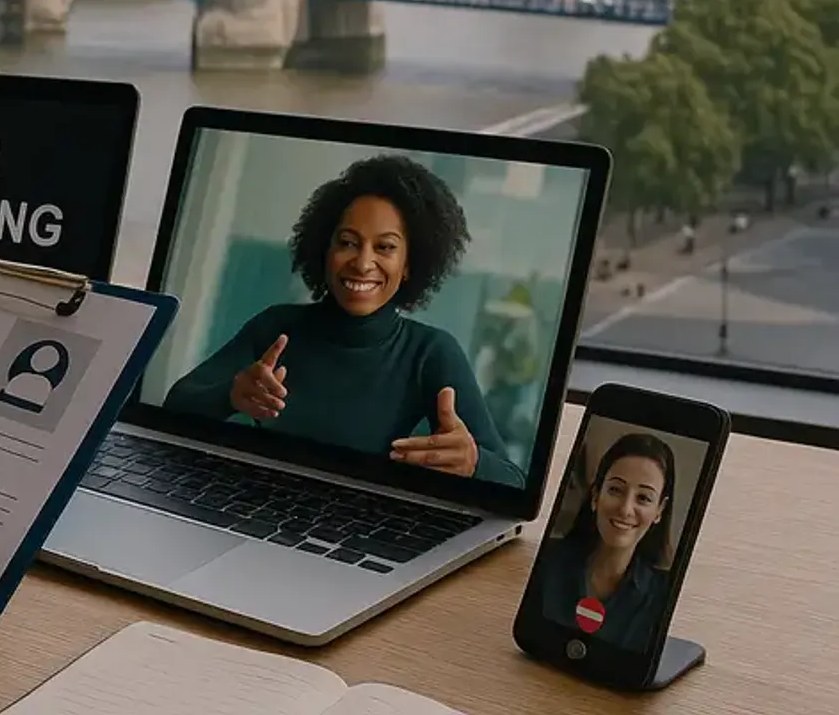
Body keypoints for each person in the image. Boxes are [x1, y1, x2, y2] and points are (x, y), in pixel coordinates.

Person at [163, 154, 524, 486]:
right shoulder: (277, 327)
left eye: (385, 247)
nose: (363, 263)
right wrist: (231, 395)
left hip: (360, 529)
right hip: (252, 507)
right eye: (348, 242)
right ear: (326, 249)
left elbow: (514, 482)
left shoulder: (430, 352)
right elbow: (175, 406)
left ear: (410, 264)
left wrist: (473, 462)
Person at [535, 433, 678, 651]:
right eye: (616, 490)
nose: (625, 509)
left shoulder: (663, 597)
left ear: (659, 511)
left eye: (643, 498)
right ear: (595, 496)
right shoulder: (546, 560)